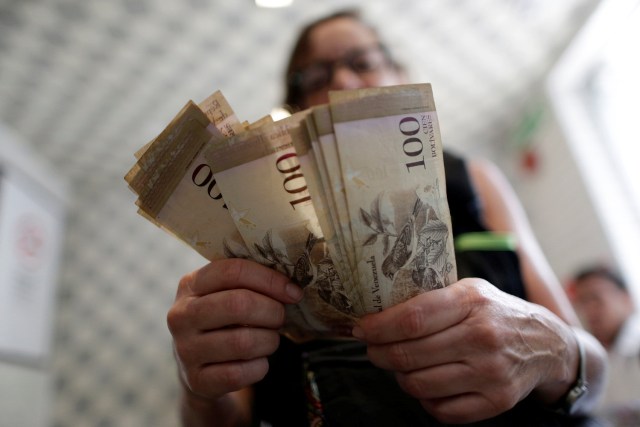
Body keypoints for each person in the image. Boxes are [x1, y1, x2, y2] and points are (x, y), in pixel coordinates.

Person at [167, 10, 607, 426]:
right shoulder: (257, 225)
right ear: (294, 113)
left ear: (400, 76)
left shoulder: (473, 179)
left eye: (362, 61)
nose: (341, 78)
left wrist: (555, 348)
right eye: (316, 76)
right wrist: (197, 385)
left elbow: (593, 370)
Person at [568, 265, 640, 425]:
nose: (588, 310)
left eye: (595, 298)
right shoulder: (587, 360)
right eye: (582, 302)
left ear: (626, 299)